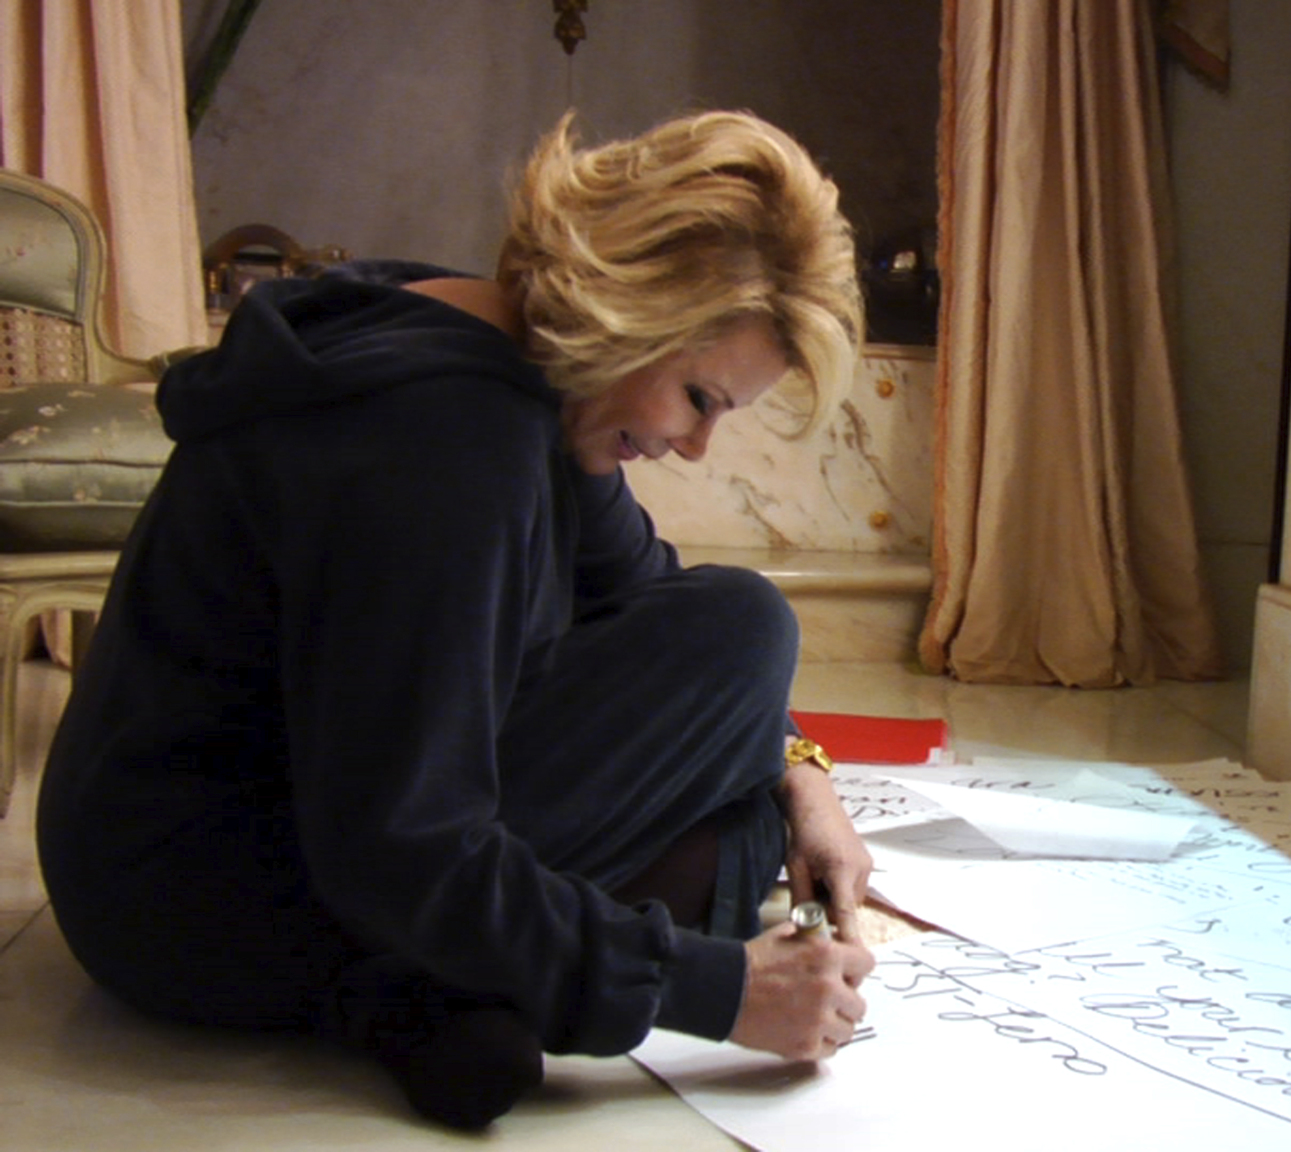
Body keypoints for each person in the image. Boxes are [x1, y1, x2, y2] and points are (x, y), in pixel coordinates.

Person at [35, 109, 876, 1130]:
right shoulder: (446, 442)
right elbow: (401, 847)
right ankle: (421, 985)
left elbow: (655, 599)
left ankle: (428, 996)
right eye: (698, 397)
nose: (695, 447)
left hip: (189, 834)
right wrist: (718, 993)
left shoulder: (484, 337)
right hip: (190, 900)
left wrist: (803, 778)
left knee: (736, 644)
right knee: (727, 796)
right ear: (631, 309)